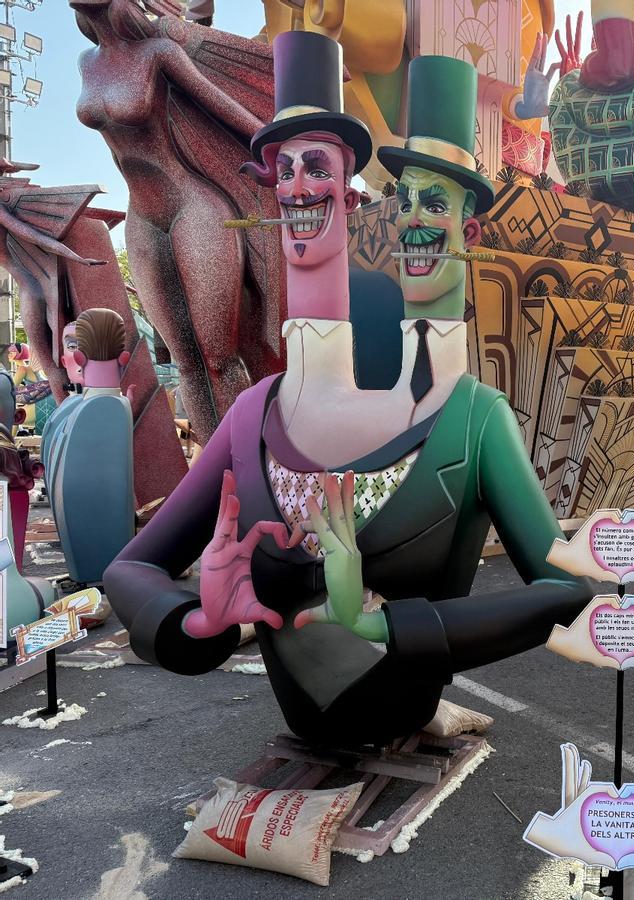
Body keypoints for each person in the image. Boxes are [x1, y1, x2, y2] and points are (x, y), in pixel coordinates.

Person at [104, 35, 590, 747]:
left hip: (402, 711)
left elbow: (566, 590)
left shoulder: (474, 419)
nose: (299, 187)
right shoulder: (253, 415)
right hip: (299, 721)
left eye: (317, 166)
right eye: (285, 169)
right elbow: (130, 568)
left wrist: (390, 625)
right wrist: (199, 623)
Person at [43, 309, 134, 586]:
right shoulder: (104, 406)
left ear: (80, 358)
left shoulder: (84, 406)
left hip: (87, 556)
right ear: (123, 358)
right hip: (99, 557)